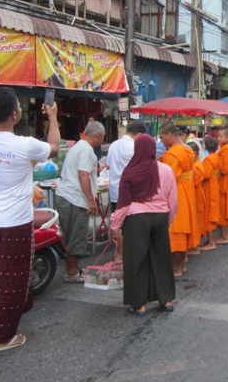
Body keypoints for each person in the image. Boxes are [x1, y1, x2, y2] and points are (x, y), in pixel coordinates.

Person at [0, 87, 60, 353]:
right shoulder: (23, 144)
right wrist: (52, 117)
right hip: (14, 221)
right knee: (11, 279)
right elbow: (54, 148)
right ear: (16, 113)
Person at [110, 134, 177, 316]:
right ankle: (166, 299)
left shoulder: (130, 171)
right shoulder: (166, 170)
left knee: (135, 260)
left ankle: (138, 304)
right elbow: (173, 200)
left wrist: (115, 225)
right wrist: (169, 219)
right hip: (160, 216)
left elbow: (123, 203)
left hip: (137, 218)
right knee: (161, 258)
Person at [55, 121, 105, 283]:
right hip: (74, 199)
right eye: (102, 138)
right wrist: (91, 200)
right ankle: (71, 272)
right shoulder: (86, 150)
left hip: (66, 195)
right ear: (97, 135)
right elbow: (83, 174)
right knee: (77, 235)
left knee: (70, 234)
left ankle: (72, 268)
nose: (101, 141)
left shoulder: (77, 147)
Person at [158, 122, 197, 277]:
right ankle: (182, 263)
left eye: (162, 137)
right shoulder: (187, 149)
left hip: (178, 191)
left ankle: (177, 267)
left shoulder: (172, 154)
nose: (161, 141)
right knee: (184, 226)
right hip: (188, 190)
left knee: (176, 229)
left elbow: (169, 178)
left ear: (169, 135)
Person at [106, 121, 147, 263]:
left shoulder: (114, 145)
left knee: (117, 223)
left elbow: (109, 165)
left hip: (114, 190)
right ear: (140, 135)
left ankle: (118, 254)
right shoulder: (134, 147)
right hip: (128, 192)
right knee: (127, 225)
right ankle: (121, 255)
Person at [200, 136, 220, 251]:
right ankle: (209, 240)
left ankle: (211, 242)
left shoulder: (208, 159)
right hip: (215, 185)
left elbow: (206, 175)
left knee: (209, 213)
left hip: (209, 187)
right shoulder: (216, 157)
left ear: (206, 147)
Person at [216, 126, 228, 243]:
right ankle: (224, 235)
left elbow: (225, 169)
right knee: (222, 207)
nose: (218, 138)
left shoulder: (227, 150)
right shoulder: (224, 148)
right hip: (224, 180)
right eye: (218, 136)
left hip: (225, 180)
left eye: (221, 136)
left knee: (224, 208)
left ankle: (225, 236)